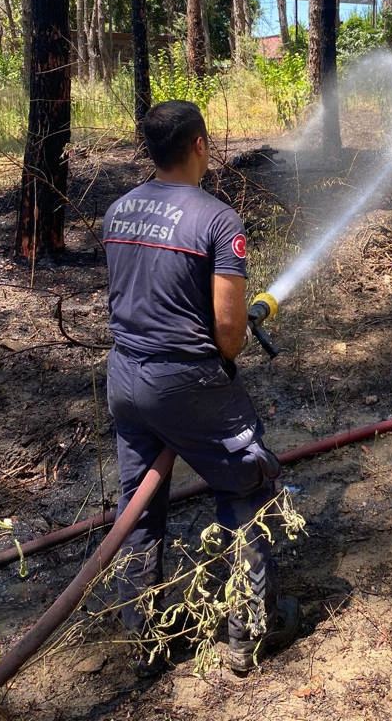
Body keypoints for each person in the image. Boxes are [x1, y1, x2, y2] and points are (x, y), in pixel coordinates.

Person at [103, 100, 299, 676]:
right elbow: (231, 337)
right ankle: (248, 633)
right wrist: (239, 322)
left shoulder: (118, 210)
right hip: (185, 383)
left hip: (125, 378)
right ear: (198, 146)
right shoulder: (218, 220)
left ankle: (142, 639)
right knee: (248, 486)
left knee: (138, 510)